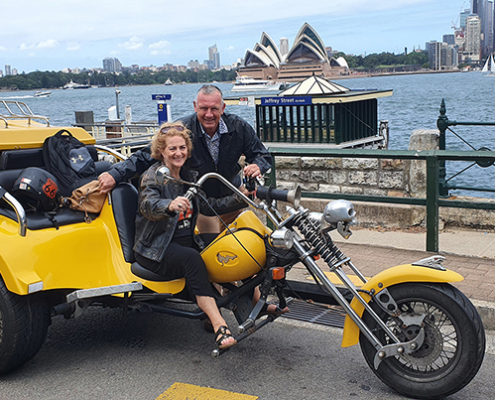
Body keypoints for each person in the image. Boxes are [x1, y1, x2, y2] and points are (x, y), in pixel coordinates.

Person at [99, 84, 272, 233]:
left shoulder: (239, 127)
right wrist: (115, 174)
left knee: (250, 247)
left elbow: (262, 154)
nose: (209, 114)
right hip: (202, 206)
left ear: (223, 108)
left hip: (233, 200)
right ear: (195, 107)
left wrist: (258, 165)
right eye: (204, 108)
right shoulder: (182, 129)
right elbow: (147, 155)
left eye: (214, 109)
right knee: (212, 258)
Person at [134, 122, 247, 350]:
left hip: (184, 243)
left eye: (182, 148)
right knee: (192, 259)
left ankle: (256, 304)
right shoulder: (153, 177)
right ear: (162, 152)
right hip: (155, 249)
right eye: (172, 149)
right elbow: (147, 205)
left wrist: (241, 197)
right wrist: (168, 205)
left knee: (225, 248)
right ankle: (219, 326)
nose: (178, 153)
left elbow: (209, 206)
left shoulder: (188, 175)